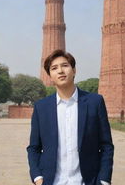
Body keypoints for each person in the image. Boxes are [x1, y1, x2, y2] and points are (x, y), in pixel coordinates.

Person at [27, 50, 114, 185]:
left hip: (87, 181)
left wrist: (104, 180)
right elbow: (34, 147)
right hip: (52, 181)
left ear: (74, 70)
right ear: (50, 75)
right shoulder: (41, 107)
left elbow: (106, 145)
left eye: (65, 66)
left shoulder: (94, 102)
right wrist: (37, 177)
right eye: (54, 68)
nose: (60, 71)